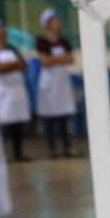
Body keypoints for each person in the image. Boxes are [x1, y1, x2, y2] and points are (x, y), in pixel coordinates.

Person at [0, 18, 30, 162]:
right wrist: (13, 65)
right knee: (2, 124)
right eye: (1, 29)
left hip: (15, 90)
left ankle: (18, 154)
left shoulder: (11, 48)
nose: (4, 31)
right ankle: (1, 155)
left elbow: (23, 64)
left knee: (17, 123)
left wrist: (8, 66)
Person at [34, 8, 77, 158]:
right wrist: (61, 58)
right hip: (49, 82)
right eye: (55, 21)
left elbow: (71, 59)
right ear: (47, 24)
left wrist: (54, 59)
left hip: (61, 81)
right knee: (49, 117)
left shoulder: (64, 41)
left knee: (63, 116)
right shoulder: (41, 41)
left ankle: (67, 147)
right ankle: (52, 148)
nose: (58, 23)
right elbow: (45, 61)